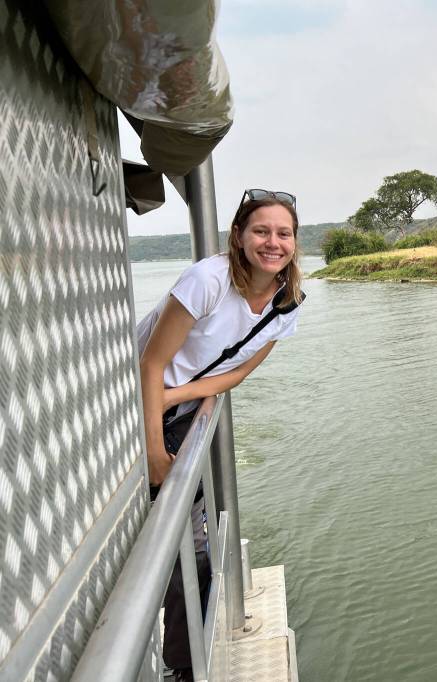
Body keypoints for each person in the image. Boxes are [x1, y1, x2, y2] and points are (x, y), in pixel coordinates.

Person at [135, 189, 304, 681]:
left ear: (294, 243)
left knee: (193, 541)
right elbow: (150, 363)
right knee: (161, 531)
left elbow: (236, 374)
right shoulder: (207, 279)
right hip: (131, 401)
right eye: (261, 231)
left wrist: (180, 397)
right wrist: (153, 450)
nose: (272, 242)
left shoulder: (285, 302)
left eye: (284, 233)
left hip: (177, 405)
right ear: (238, 236)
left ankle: (183, 664)